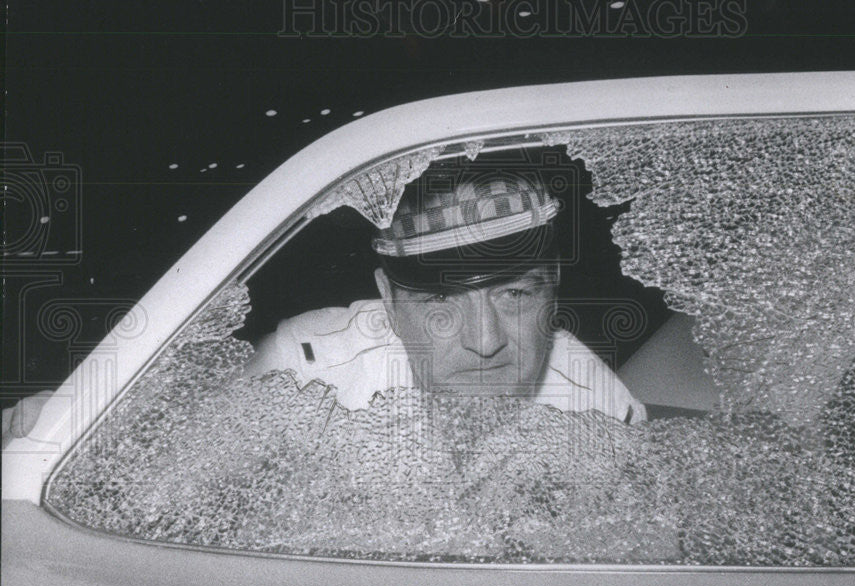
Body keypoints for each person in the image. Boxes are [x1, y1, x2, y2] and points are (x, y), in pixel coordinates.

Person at [245, 161, 646, 423]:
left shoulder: (598, 408)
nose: (486, 342)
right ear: (389, 299)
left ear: (554, 287)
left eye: (515, 295)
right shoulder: (300, 373)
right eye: (440, 298)